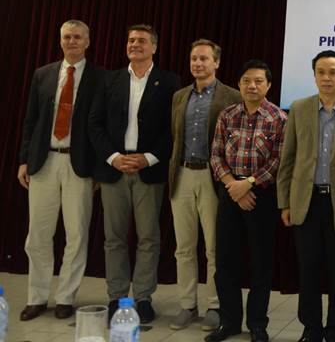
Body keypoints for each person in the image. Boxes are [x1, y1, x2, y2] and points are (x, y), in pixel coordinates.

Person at [277, 50, 335, 342]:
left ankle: (334, 330)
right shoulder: (299, 108)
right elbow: (288, 159)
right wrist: (284, 202)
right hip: (306, 202)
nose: (327, 78)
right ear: (315, 76)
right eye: (321, 72)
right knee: (308, 271)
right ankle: (311, 328)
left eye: (333, 72)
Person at [88, 24, 180, 323]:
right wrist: (114, 158)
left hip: (148, 171)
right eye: (130, 40)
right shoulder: (109, 79)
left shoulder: (170, 82)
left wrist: (148, 158)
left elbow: (173, 129)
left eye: (141, 40)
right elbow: (94, 124)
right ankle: (116, 296)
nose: (135, 44)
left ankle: (142, 298)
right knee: (113, 238)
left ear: (154, 47)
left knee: (148, 238)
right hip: (114, 169)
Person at [17, 19, 104, 321]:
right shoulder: (43, 74)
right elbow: (30, 120)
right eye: (67, 37)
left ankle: (66, 297)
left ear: (87, 42)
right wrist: (24, 159)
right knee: (37, 235)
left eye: (78, 37)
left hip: (79, 165)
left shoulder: (100, 77)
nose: (72, 42)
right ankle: (37, 297)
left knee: (76, 234)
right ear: (60, 40)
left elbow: (101, 126)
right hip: (44, 162)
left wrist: (98, 169)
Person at [205, 59, 287, 342]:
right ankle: (229, 322)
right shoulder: (227, 115)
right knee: (225, 262)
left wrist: (248, 184)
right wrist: (233, 185)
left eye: (258, 81)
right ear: (239, 84)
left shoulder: (279, 118)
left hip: (261, 195)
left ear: (269, 85)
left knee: (260, 264)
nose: (252, 86)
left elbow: (278, 161)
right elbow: (216, 155)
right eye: (246, 81)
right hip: (229, 192)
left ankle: (257, 324)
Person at [167, 39, 241, 331]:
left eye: (204, 59)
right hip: (182, 175)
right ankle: (187, 305)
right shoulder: (179, 96)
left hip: (213, 177)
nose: (197, 63)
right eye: (194, 59)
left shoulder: (232, 96)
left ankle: (214, 305)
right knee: (184, 247)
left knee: (214, 248)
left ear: (216, 63)